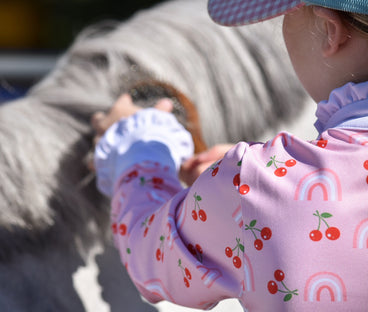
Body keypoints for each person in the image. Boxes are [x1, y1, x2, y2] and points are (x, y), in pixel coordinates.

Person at [92, 1, 368, 310]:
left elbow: (148, 253)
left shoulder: (256, 181)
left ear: (330, 31)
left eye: (287, 15)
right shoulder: (264, 180)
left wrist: (139, 145)